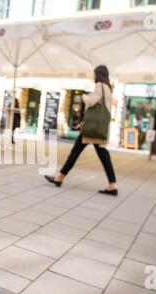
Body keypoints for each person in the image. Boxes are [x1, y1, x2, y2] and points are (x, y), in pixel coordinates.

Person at [44, 65, 118, 196]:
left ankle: (59, 178)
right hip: (98, 128)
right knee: (102, 155)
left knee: (76, 152)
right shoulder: (108, 88)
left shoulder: (100, 86)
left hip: (92, 129)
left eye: (94, 74)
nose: (93, 76)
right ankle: (113, 185)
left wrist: (84, 96)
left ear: (98, 74)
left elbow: (91, 102)